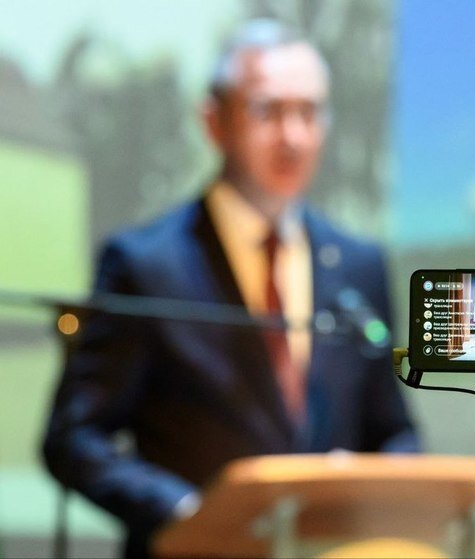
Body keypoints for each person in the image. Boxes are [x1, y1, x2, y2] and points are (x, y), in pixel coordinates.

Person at [42, 19, 419, 558]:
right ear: (214, 121)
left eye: (309, 112)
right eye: (269, 111)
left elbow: (393, 429)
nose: (293, 137)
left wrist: (378, 486)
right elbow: (75, 439)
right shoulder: (146, 264)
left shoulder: (359, 265)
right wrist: (190, 513)